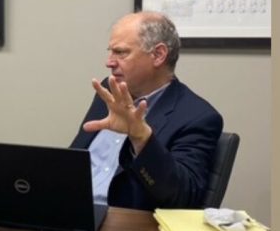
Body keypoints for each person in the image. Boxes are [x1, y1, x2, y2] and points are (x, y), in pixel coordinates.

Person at [70, 11, 223, 210]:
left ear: (158, 55)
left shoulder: (197, 117)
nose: (109, 62)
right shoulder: (109, 91)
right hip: (70, 213)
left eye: (121, 52)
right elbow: (74, 160)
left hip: (124, 226)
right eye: (110, 51)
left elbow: (182, 197)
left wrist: (141, 138)